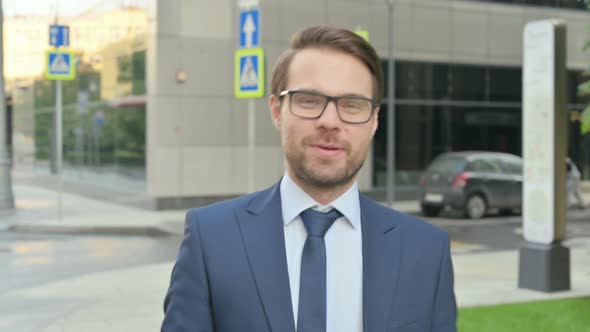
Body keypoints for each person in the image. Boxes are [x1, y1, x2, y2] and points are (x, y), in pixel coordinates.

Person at [161, 25, 457, 332]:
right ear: (277, 111)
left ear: (374, 121)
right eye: (309, 100)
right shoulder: (210, 239)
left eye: (352, 105)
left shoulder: (426, 251)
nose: (330, 121)